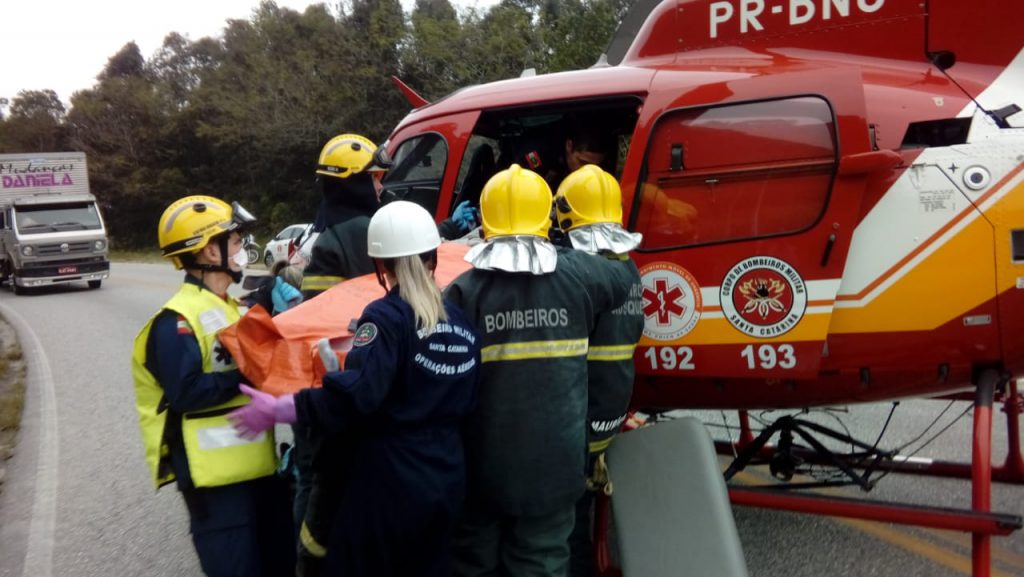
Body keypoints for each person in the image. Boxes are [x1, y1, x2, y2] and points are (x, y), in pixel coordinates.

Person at [228, 200, 481, 577]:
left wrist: (287, 407)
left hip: (391, 483)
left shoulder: (384, 318)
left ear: (381, 266)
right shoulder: (461, 322)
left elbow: (357, 398)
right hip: (446, 478)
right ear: (434, 256)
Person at [444, 165, 633, 577]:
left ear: (486, 222)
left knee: (474, 561)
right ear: (547, 220)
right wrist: (570, 246)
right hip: (556, 466)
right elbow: (622, 277)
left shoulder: (463, 291)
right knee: (541, 561)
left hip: (483, 464)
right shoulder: (581, 276)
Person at [130, 195, 294, 577]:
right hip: (214, 485)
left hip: (260, 471)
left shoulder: (230, 308)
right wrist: (247, 372)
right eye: (235, 242)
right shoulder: (175, 322)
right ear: (208, 250)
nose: (242, 250)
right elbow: (186, 392)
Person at [553, 166, 644, 577]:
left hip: (581, 420)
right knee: (585, 516)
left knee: (566, 530)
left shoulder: (581, 276)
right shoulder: (627, 268)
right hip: (610, 409)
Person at [300, 133, 390, 298]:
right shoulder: (365, 230)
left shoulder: (324, 226)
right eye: (373, 178)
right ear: (353, 184)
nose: (380, 186)